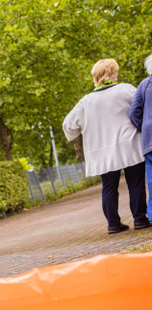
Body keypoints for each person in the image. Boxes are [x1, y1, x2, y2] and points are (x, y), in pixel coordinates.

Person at [64, 58, 149, 234]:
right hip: (129, 145)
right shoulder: (126, 89)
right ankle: (140, 219)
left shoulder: (86, 101)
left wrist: (78, 135)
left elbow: (69, 126)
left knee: (109, 187)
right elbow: (140, 108)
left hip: (103, 151)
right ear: (114, 73)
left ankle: (113, 224)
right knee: (136, 183)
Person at [129, 53, 152, 223]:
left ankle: (151, 215)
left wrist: (143, 128)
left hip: (149, 138)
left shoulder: (144, 84)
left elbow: (134, 112)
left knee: (151, 181)